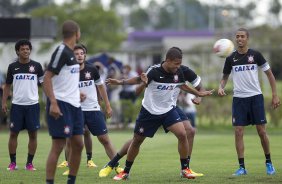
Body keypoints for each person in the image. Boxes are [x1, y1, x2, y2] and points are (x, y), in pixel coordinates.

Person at [105, 47, 212, 180]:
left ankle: (185, 169)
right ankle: (125, 171)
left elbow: (184, 85)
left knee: (183, 133)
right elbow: (139, 80)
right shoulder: (154, 71)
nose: (178, 67)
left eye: (180, 63)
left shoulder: (181, 71)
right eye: (176, 64)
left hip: (168, 110)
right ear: (167, 60)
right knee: (137, 140)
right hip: (149, 111)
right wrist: (121, 82)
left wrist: (199, 94)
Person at [218, 28, 280, 176]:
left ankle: (269, 162)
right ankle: (242, 167)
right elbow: (225, 77)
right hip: (239, 99)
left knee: (262, 131)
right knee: (238, 131)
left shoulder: (256, 55)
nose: (239, 39)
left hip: (255, 97)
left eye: (242, 36)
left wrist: (275, 95)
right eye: (237, 36)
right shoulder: (230, 58)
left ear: (247, 38)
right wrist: (221, 87)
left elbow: (270, 75)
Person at [59, 44, 123, 176]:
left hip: (93, 109)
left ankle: (117, 167)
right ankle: (71, 169)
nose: (79, 56)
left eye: (81, 53)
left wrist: (108, 105)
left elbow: (101, 87)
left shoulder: (92, 69)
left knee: (104, 139)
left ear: (85, 55)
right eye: (76, 54)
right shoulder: (67, 71)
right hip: (75, 110)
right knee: (71, 141)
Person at [43, 20, 84, 184]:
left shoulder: (70, 53)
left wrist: (77, 92)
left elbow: (65, 78)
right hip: (61, 105)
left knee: (79, 144)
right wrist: (53, 102)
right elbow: (46, 77)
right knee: (58, 145)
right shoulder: (61, 51)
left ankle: (71, 181)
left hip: (74, 105)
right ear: (76, 33)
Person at [1, 39, 44, 171]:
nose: (26, 51)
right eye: (23, 49)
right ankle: (13, 163)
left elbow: (44, 84)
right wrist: (3, 102)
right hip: (17, 106)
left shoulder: (37, 66)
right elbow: (7, 86)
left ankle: (29, 164)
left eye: (27, 49)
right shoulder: (12, 67)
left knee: (33, 135)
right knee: (13, 134)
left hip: (32, 105)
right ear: (18, 51)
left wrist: (52, 100)